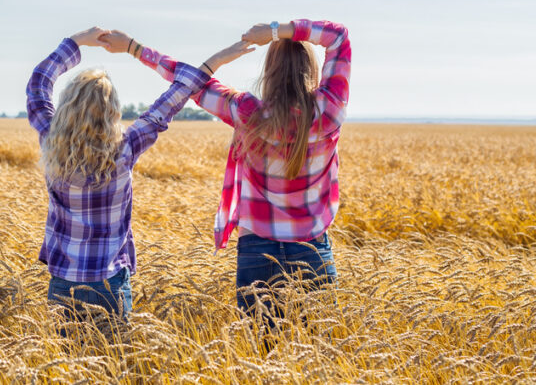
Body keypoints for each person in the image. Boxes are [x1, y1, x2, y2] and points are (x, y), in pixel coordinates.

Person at [101, 18, 351, 329]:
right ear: (312, 70)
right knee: (319, 359)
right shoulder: (329, 112)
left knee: (262, 358)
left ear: (269, 72)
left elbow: (191, 81)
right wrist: (276, 31)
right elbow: (337, 36)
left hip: (257, 252)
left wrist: (133, 48)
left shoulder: (246, 112)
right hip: (314, 250)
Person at [26, 26, 249, 325]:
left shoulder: (49, 137)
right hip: (111, 285)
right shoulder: (125, 149)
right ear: (112, 112)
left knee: (67, 367)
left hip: (63, 283)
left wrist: (76, 42)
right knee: (114, 365)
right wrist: (213, 63)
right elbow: (171, 100)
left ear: (67, 108)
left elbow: (38, 84)